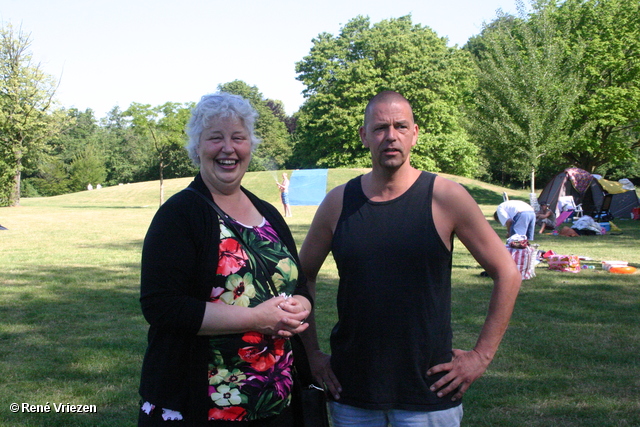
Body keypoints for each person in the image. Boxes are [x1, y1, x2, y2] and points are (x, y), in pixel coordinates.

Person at [298, 91, 521, 427]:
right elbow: (302, 277)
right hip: (353, 391)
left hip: (429, 392)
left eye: (400, 126)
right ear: (364, 136)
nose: (391, 136)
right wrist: (311, 354)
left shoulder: (446, 197)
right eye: (379, 128)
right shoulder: (338, 202)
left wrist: (481, 356)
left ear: (415, 133)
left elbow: (507, 272)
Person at [138, 92, 312, 426]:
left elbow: (300, 284)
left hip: (275, 404)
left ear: (250, 145)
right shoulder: (180, 214)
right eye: (215, 137)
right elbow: (162, 307)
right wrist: (254, 319)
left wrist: (302, 305)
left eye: (238, 137)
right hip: (205, 406)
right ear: (198, 147)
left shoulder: (268, 213)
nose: (228, 148)